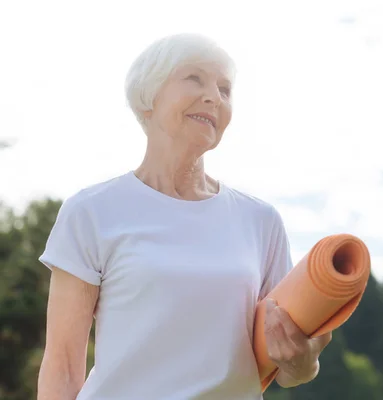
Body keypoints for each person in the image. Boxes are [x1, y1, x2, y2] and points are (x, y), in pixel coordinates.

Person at [37, 33, 332, 400]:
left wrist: (301, 360)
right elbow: (63, 367)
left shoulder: (261, 221)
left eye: (225, 89)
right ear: (148, 99)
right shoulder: (91, 212)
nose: (214, 96)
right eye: (194, 78)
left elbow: (290, 371)